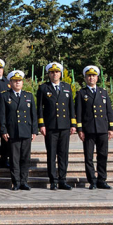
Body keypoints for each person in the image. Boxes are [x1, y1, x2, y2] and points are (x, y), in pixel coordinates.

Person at [37, 62, 76, 190]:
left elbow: (71, 107)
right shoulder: (43, 88)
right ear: (49, 74)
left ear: (61, 73)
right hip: (51, 126)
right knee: (52, 154)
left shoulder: (67, 87)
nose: (55, 74)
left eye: (57, 72)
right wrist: (41, 124)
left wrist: (73, 124)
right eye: (52, 72)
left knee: (63, 154)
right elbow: (40, 108)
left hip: (64, 126)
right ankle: (53, 180)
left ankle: (62, 180)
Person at [76, 65, 113, 190]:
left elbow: (109, 111)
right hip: (89, 130)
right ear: (85, 78)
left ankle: (102, 180)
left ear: (97, 78)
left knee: (103, 155)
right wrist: (80, 129)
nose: (91, 78)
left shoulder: (103, 92)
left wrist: (111, 128)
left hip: (102, 129)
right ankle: (92, 180)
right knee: (89, 156)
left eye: (93, 76)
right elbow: (79, 112)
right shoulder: (81, 93)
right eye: (89, 76)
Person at [0, 70, 38, 190]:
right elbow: (2, 115)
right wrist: (3, 131)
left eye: (19, 81)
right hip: (13, 132)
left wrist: (34, 131)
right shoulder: (5, 96)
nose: (17, 83)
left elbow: (33, 115)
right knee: (14, 159)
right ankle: (15, 182)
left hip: (26, 131)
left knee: (25, 158)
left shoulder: (28, 96)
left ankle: (24, 181)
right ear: (10, 82)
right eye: (15, 81)